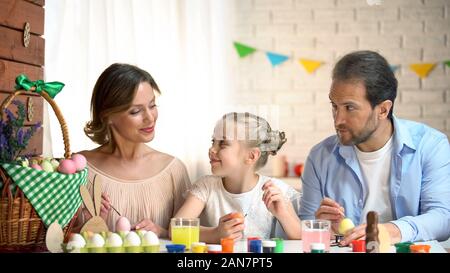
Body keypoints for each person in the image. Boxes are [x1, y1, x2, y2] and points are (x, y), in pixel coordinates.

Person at [300, 50, 450, 246]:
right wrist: (322, 227)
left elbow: (443, 219)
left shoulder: (430, 145)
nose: (338, 120)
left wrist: (390, 231)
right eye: (334, 106)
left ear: (383, 110)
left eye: (349, 108)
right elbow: (306, 226)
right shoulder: (320, 156)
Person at [78, 63, 191, 238]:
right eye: (136, 111)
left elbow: (189, 242)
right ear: (107, 117)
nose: (150, 117)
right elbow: (60, 241)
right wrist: (87, 222)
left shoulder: (173, 171)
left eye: (152, 105)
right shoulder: (80, 169)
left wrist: (162, 232)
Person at [173, 112, 302, 243]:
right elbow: (176, 228)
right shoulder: (206, 186)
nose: (212, 149)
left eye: (222, 144)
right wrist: (215, 234)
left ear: (251, 156)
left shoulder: (275, 190)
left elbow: (301, 235)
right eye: (213, 142)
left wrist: (283, 214)